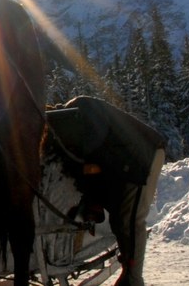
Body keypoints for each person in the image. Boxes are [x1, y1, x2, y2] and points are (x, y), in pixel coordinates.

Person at [46, 95, 166, 286]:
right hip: (125, 162)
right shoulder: (73, 122)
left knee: (131, 220)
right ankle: (128, 269)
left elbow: (94, 145)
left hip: (143, 156)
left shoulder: (83, 108)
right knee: (120, 219)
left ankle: (133, 279)